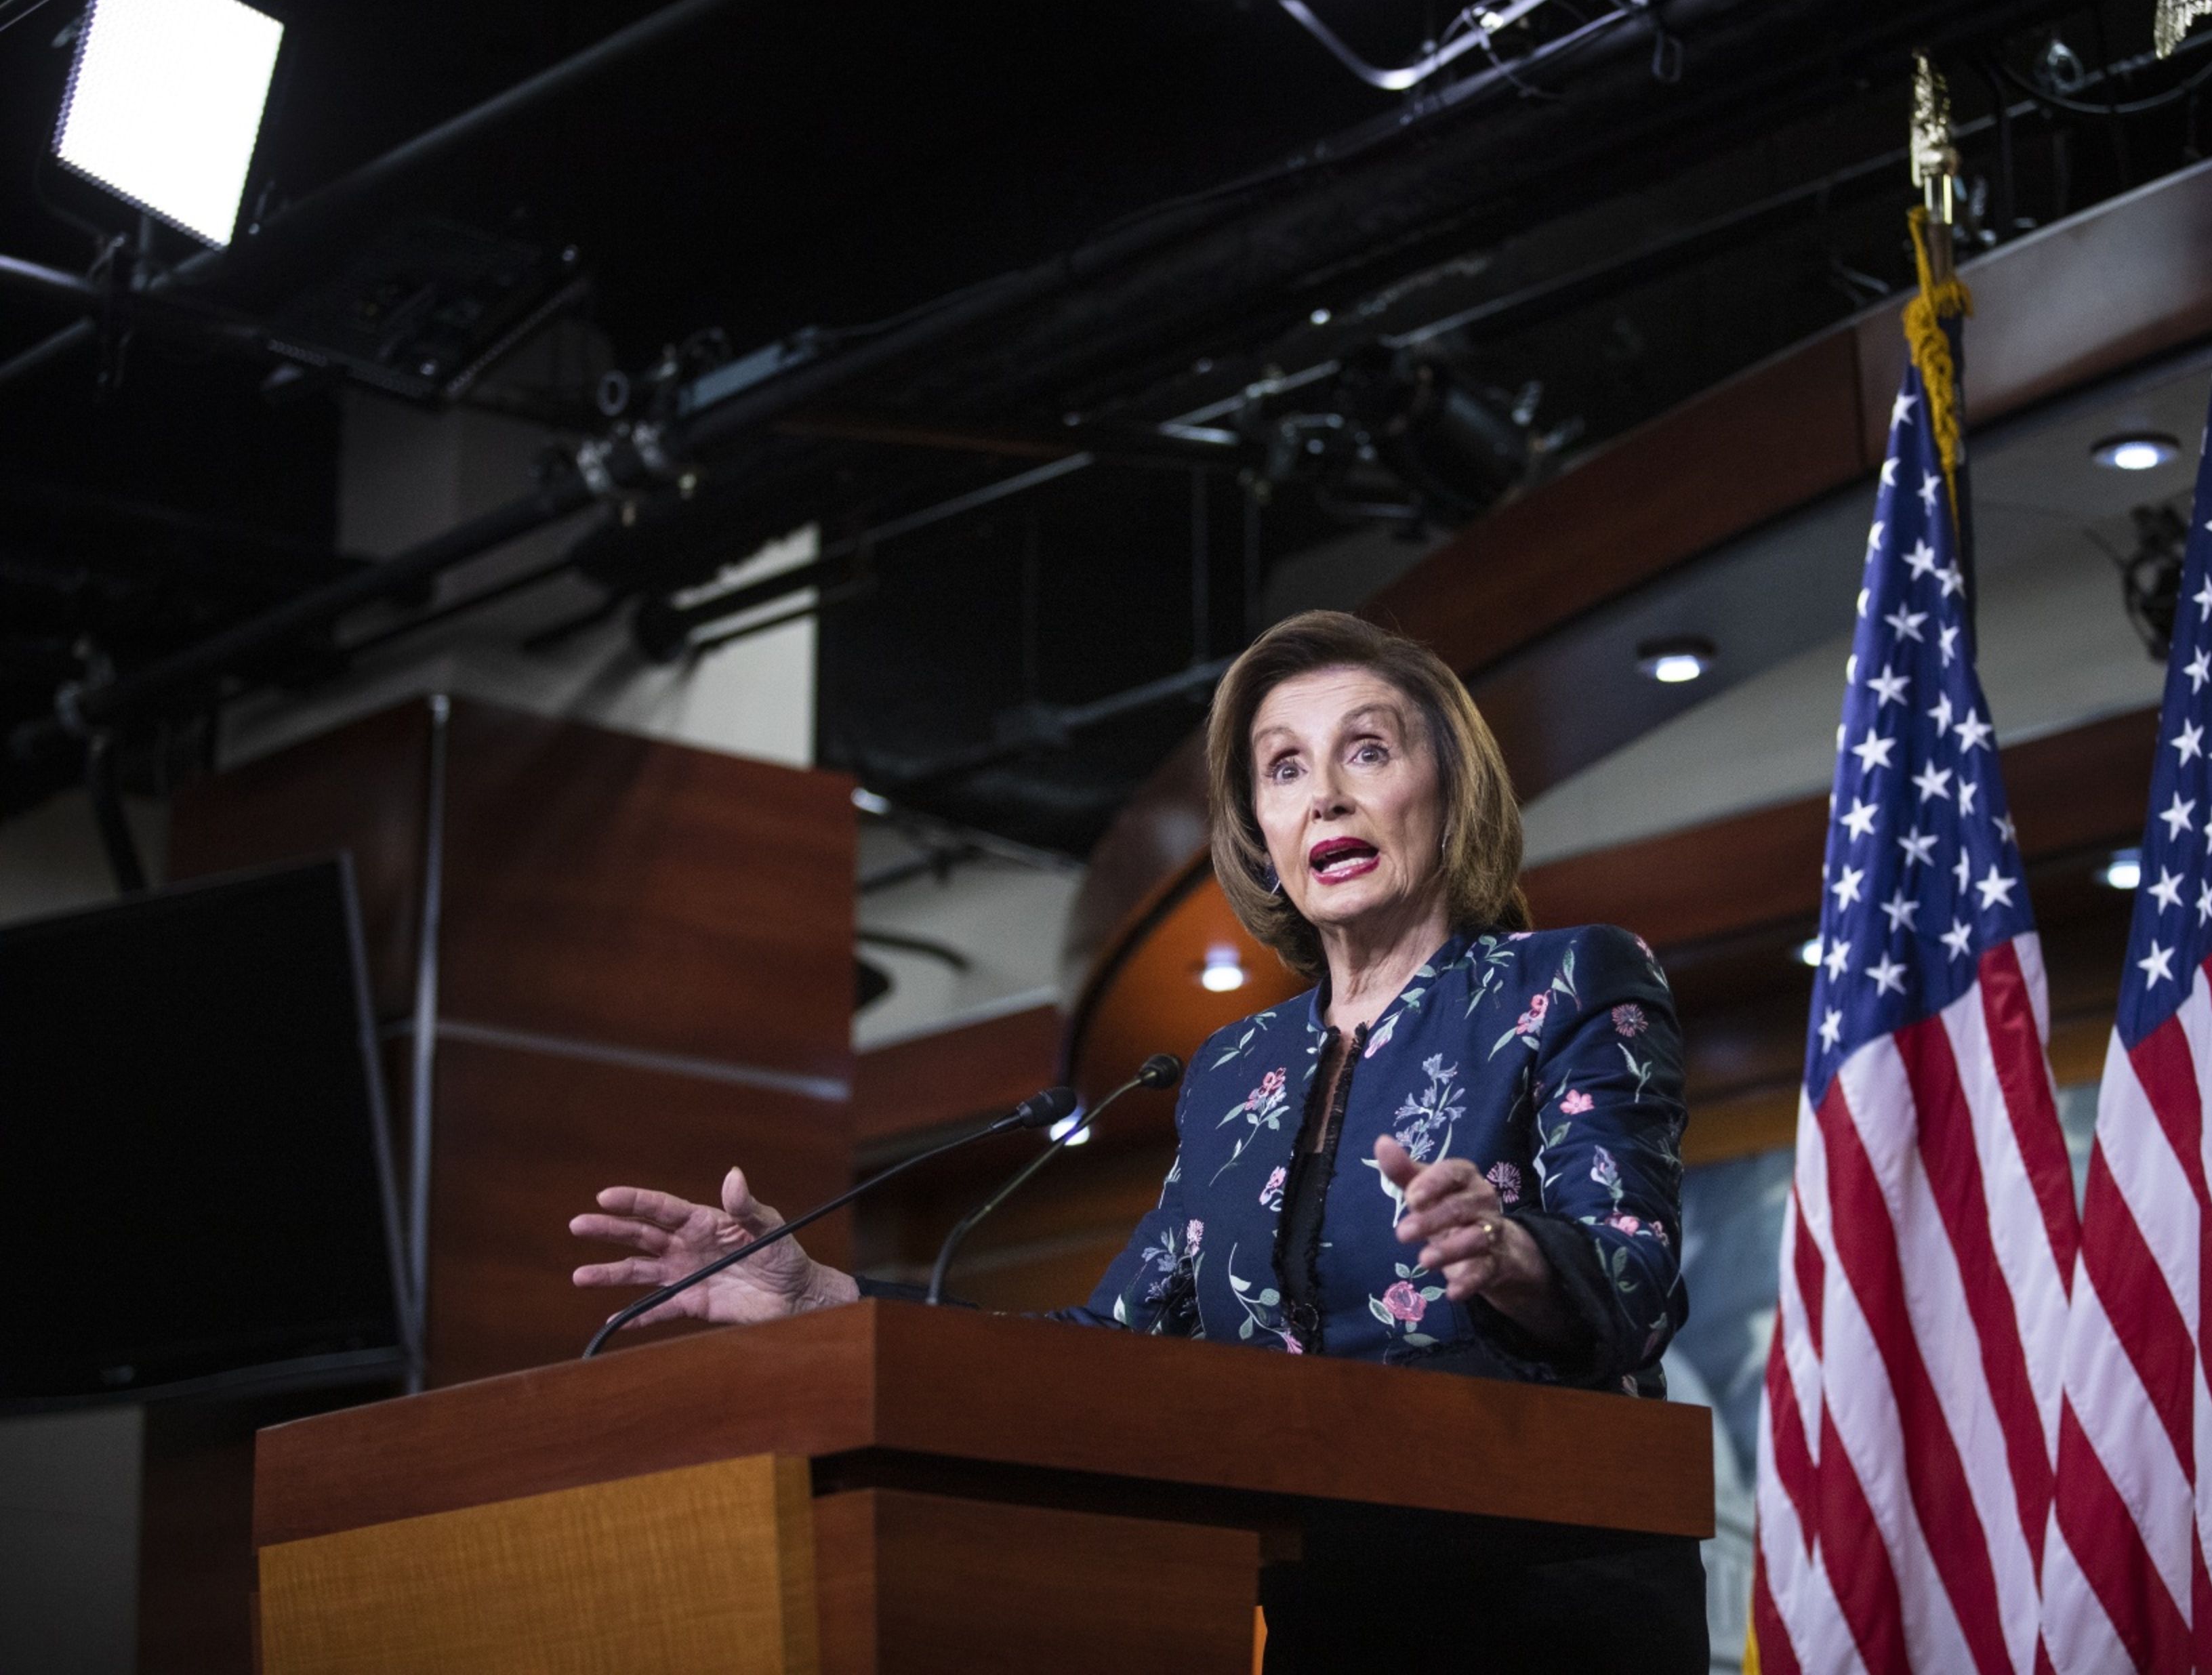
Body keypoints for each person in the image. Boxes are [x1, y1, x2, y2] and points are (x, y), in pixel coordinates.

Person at [568, 608, 1703, 1672]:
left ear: (1448, 793)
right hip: (1331, 1611)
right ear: (1261, 833)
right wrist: (818, 1299)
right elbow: (1106, 1347)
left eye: (1367, 752)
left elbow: (1637, 1280)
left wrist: (1512, 1254)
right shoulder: (1232, 1073)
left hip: (1553, 1605)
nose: (1326, 800)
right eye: (1286, 768)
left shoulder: (1569, 983)